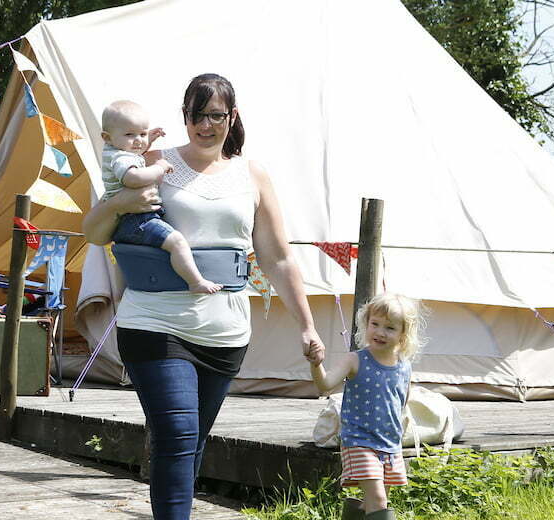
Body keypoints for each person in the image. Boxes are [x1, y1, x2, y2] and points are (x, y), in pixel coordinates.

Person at [83, 73, 325, 519]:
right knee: (176, 432)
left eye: (216, 115)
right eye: (197, 115)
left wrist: (307, 324)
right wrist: (118, 205)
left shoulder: (253, 175)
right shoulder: (152, 161)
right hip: (154, 321)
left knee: (191, 441)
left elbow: (278, 260)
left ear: (232, 117)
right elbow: (95, 232)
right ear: (185, 117)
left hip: (225, 332)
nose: (206, 125)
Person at [309, 293, 426, 520]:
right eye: (375, 324)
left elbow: (401, 402)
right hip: (359, 441)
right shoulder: (356, 360)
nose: (380, 332)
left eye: (390, 328)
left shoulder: (404, 366)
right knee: (379, 501)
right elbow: (325, 385)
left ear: (404, 333)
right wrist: (316, 364)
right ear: (366, 323)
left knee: (371, 504)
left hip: (390, 445)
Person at [100, 100, 221, 294]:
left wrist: (149, 140)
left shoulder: (116, 150)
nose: (139, 140)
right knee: (177, 242)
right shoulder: (121, 157)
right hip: (137, 219)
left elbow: (135, 154)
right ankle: (195, 282)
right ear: (107, 137)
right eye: (130, 134)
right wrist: (160, 168)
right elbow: (133, 178)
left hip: (130, 221)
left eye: (142, 133)